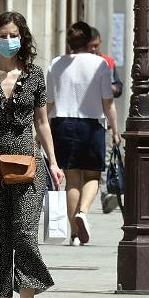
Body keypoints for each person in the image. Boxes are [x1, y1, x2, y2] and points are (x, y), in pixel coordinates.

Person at [0, 11, 64, 298]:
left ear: (22, 38)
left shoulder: (36, 76)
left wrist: (53, 161)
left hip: (29, 164)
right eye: (3, 34)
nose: (8, 40)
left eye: (14, 35)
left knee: (24, 233)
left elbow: (42, 122)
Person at [46, 21, 121, 245]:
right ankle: (84, 213)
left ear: (68, 42)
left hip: (62, 124)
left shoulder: (56, 64)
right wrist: (115, 130)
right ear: (89, 41)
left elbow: (48, 102)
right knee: (92, 176)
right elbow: (108, 103)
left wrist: (40, 129)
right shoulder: (100, 65)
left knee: (71, 181)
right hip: (91, 125)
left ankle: (74, 234)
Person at [86, 26, 123, 98]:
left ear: (100, 42)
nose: (93, 49)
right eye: (90, 46)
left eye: (96, 45)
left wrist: (109, 87)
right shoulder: (80, 61)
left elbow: (118, 88)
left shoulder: (108, 62)